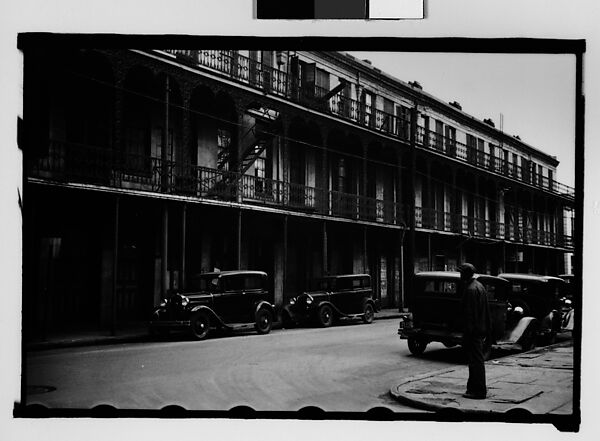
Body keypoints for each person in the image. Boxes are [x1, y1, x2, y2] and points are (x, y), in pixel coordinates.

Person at [458, 263, 491, 399]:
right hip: (480, 329)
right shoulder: (479, 286)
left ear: (466, 273)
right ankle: (473, 388)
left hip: (474, 332)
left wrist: (467, 334)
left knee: (475, 361)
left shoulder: (471, 289)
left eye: (461, 272)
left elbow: (470, 315)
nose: (459, 275)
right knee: (476, 360)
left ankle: (478, 391)